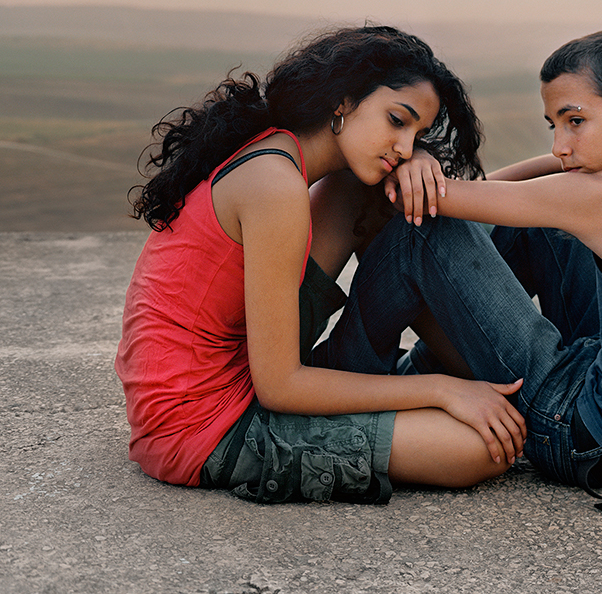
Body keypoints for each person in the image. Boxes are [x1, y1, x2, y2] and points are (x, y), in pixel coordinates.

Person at [315, 28, 602, 512]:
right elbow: (524, 188)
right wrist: (444, 175)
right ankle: (427, 375)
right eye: (554, 124)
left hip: (584, 435)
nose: (559, 145)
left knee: (421, 232)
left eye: (575, 121)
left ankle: (340, 385)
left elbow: (425, 204)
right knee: (542, 229)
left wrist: (415, 161)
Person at [114, 25, 526, 505]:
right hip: (204, 428)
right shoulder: (274, 185)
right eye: (397, 120)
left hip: (244, 368)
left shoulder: (280, 153)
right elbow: (280, 388)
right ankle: (459, 382)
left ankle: (469, 376)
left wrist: (423, 164)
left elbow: (409, 188)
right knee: (481, 450)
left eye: (417, 134)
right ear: (342, 102)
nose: (405, 145)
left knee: (369, 189)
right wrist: (439, 392)